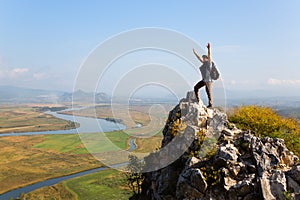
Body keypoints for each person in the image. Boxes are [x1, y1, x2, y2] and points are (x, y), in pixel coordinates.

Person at [193, 42, 215, 108]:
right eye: (203, 58)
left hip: (209, 81)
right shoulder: (204, 63)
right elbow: (199, 58)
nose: (203, 59)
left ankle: (210, 104)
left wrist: (209, 49)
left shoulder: (209, 63)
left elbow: (209, 55)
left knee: (208, 92)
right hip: (204, 80)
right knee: (196, 87)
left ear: (207, 59)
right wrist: (194, 53)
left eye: (204, 58)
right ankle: (197, 100)